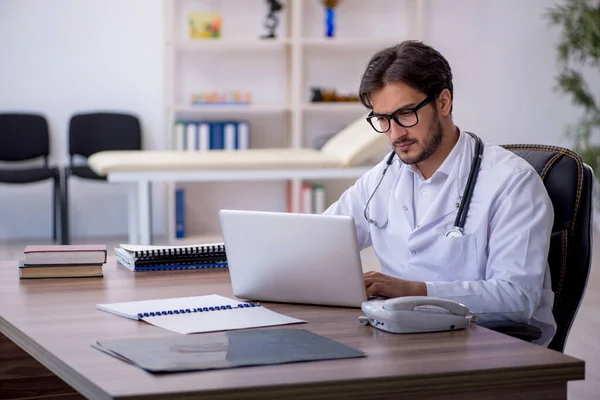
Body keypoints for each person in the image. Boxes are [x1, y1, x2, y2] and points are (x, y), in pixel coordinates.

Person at [323, 40, 556, 346]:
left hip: (484, 346)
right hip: (396, 336)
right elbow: (323, 240)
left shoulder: (512, 182)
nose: (395, 134)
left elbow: (517, 297)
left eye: (405, 114)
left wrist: (415, 291)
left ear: (443, 102)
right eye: (383, 120)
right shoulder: (384, 176)